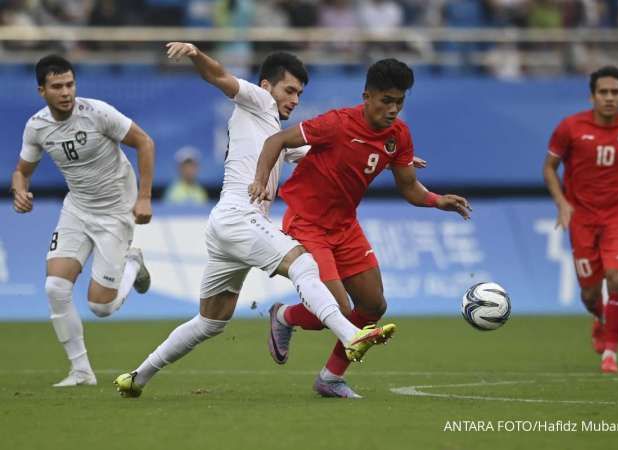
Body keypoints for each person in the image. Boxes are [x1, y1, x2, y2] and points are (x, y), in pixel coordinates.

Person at [114, 43, 396, 398]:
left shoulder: (276, 132)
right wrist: (195, 54)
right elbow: (218, 75)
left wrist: (380, 153)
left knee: (210, 321)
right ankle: (350, 334)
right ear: (267, 87)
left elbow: (324, 154)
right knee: (303, 264)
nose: (294, 99)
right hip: (239, 217)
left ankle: (137, 377)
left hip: (227, 227)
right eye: (289, 90)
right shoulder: (257, 100)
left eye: (300, 93)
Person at [249, 58, 471, 398]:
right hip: (307, 223)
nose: (394, 109)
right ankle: (286, 316)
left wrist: (436, 200)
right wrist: (262, 183)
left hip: (345, 226)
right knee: (335, 310)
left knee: (373, 305)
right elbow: (275, 142)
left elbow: (409, 186)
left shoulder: (399, 135)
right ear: (367, 96)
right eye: (386, 100)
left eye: (400, 101)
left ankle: (331, 377)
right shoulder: (336, 124)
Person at [10, 55, 155, 387]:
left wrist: (144, 197)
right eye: (57, 86)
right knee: (55, 287)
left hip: (116, 209)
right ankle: (81, 372)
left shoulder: (98, 113)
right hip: (77, 208)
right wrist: (20, 190)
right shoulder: (37, 126)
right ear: (41, 91)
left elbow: (145, 143)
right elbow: (21, 171)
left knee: (100, 308)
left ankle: (133, 263)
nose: (66, 92)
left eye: (70, 84)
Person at [543, 65, 618, 374]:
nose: (609, 98)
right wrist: (562, 202)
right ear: (592, 96)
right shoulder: (570, 127)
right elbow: (549, 168)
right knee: (590, 294)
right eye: (603, 92)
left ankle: (611, 352)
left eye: (615, 93)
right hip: (582, 219)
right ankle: (599, 317)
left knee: (617, 278)